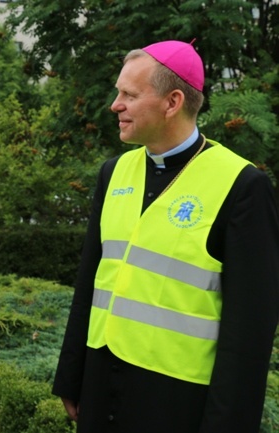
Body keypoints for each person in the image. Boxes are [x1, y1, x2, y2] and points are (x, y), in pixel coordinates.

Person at [52, 40, 279, 433]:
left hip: (177, 400)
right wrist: (72, 377)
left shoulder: (243, 186)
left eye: (129, 94)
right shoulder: (114, 172)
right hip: (102, 384)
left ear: (172, 102)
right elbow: (91, 279)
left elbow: (250, 331)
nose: (114, 105)